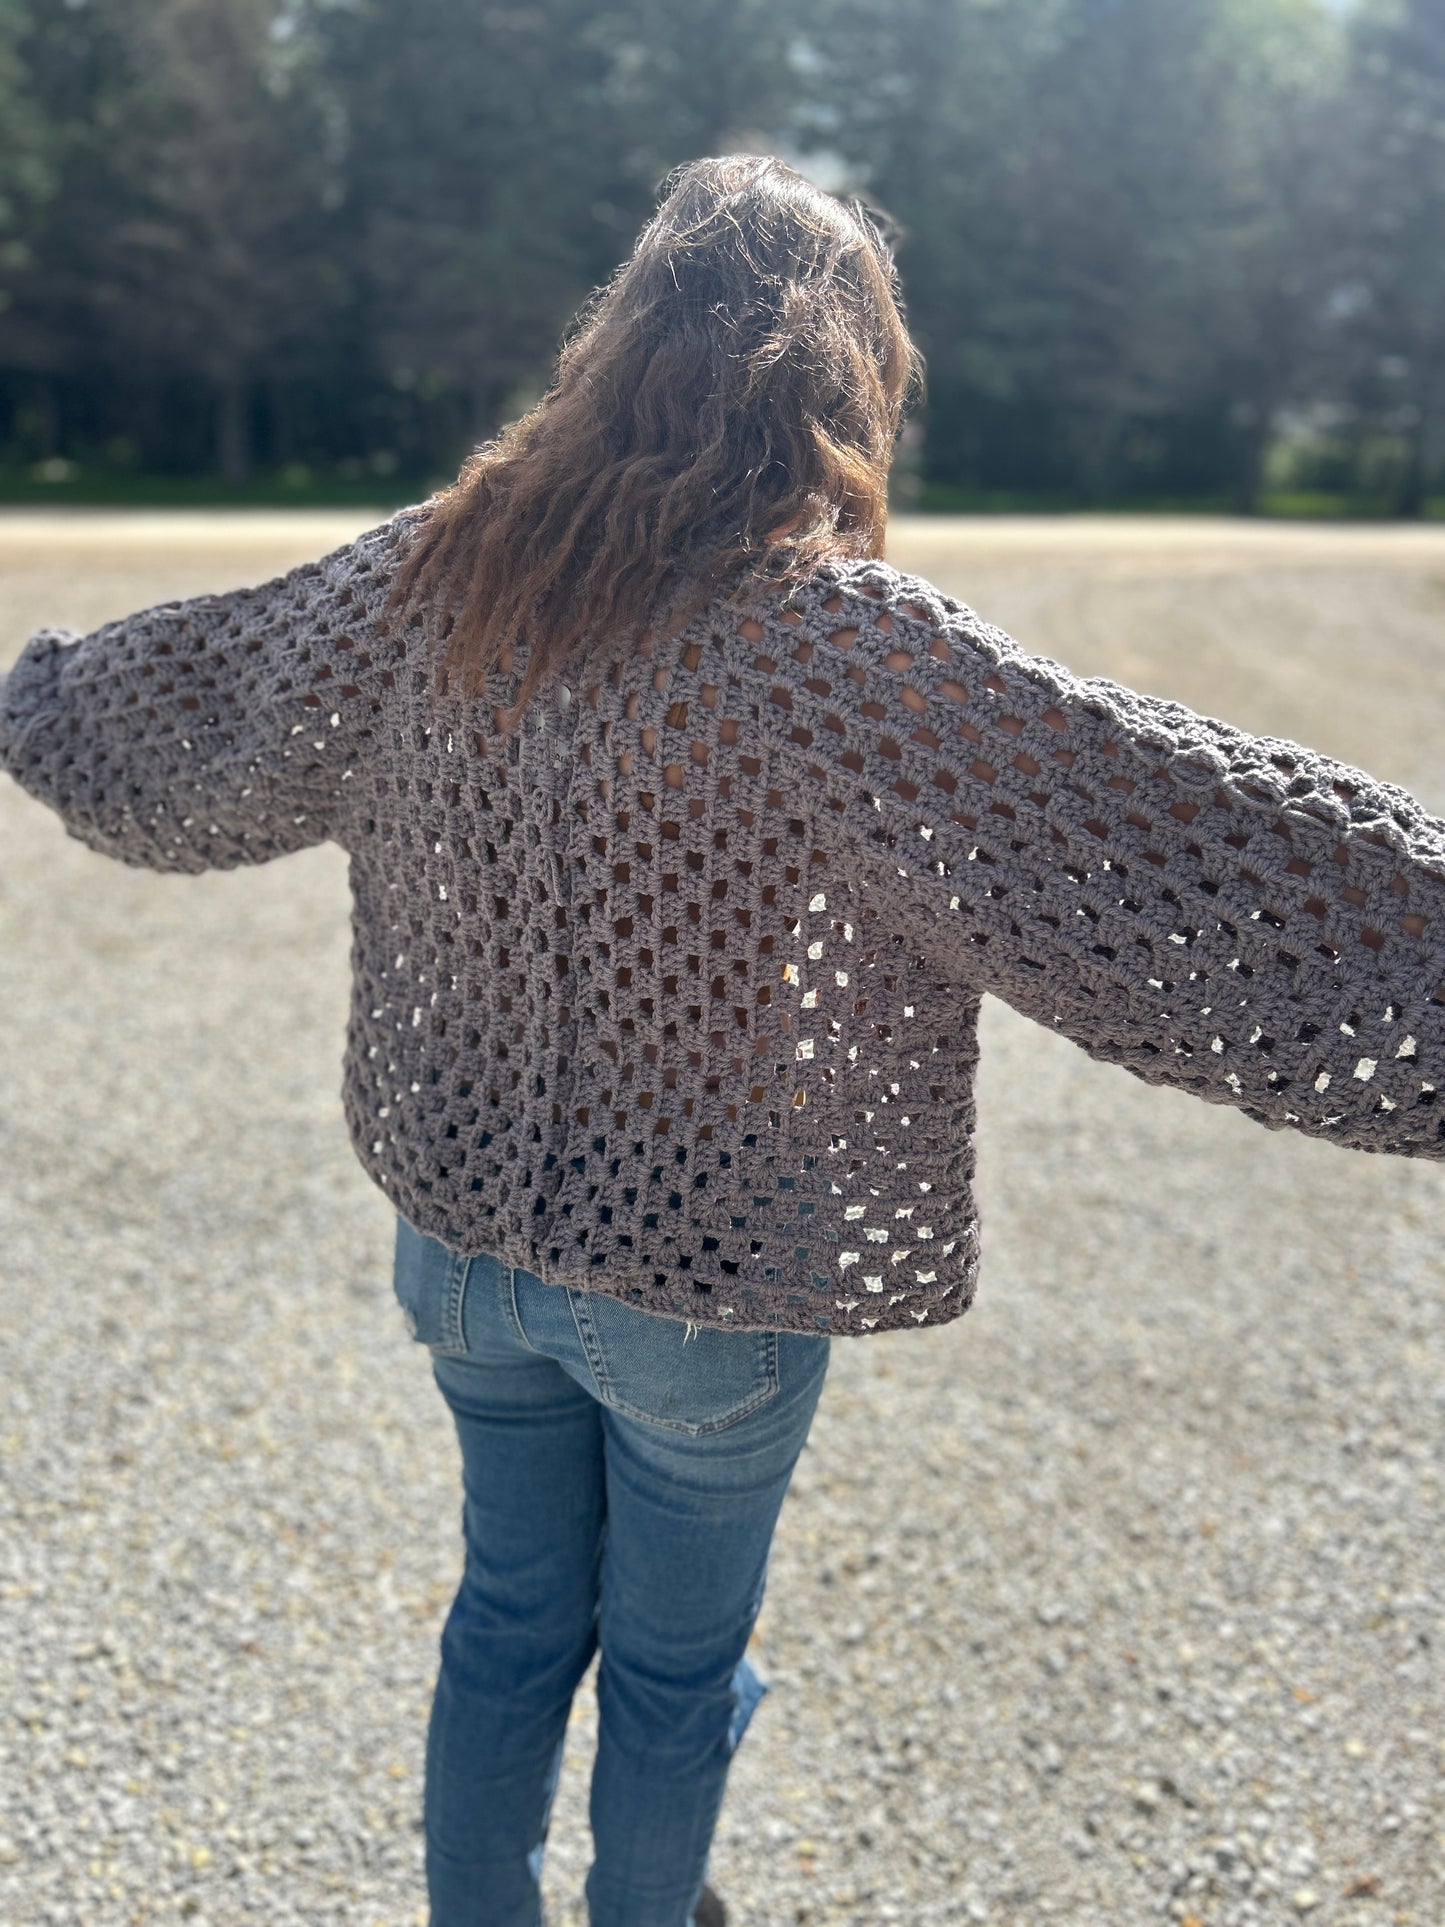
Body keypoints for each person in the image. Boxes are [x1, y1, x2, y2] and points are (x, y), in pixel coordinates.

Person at [3, 153, 1445, 1927]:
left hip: (455, 1248)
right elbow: (1167, 848)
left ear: (620, 344)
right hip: (705, 1279)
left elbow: (194, 712)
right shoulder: (832, 645)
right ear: (843, 383)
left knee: (508, 1620)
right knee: (675, 1680)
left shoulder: (439, 575)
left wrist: (46, 699)